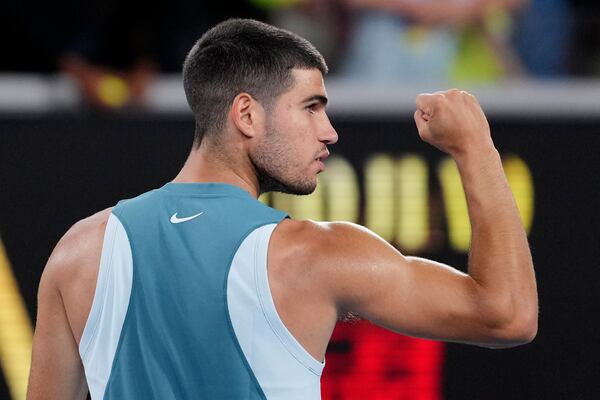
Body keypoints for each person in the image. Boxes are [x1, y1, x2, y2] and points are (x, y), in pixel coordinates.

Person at [26, 18, 538, 399]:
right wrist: (476, 147)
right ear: (246, 114)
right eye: (311, 107)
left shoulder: (79, 252)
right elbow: (508, 316)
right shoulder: (315, 255)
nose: (329, 131)